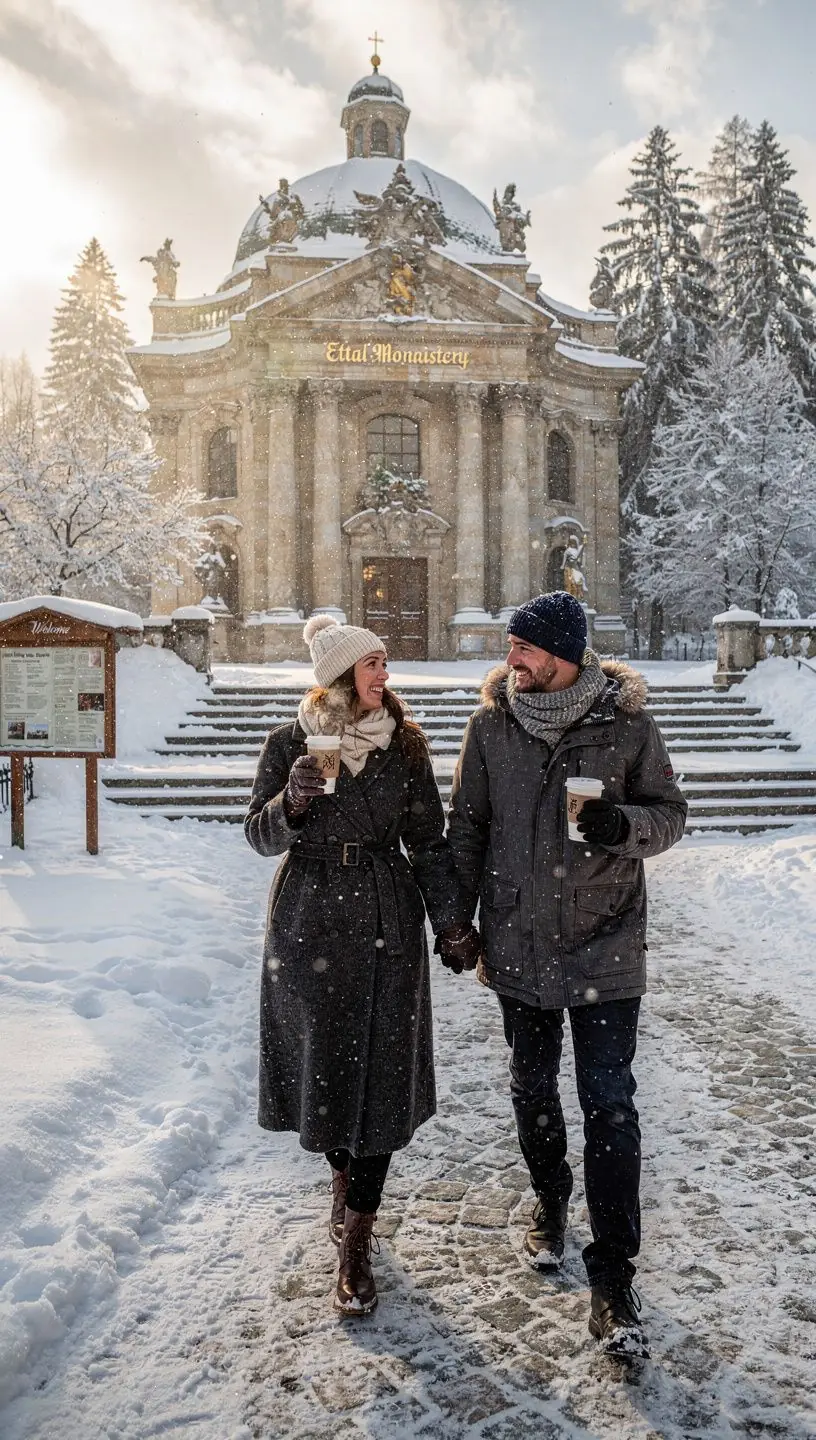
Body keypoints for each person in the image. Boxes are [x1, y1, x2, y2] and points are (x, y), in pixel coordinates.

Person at [446, 591, 687, 1359]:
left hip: (606, 943)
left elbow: (669, 813)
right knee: (531, 1085)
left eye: (525, 648)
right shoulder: (490, 727)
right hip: (517, 941)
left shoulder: (629, 727)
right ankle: (550, 1198)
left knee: (610, 1104)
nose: (510, 659)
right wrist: (455, 920)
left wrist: (626, 827)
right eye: (510, 647)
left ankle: (614, 1278)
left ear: (564, 654)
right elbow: (467, 830)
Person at [244, 614, 478, 1317]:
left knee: (380, 1072)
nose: (386, 674)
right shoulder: (289, 742)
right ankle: (341, 1178)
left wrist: (451, 922)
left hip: (384, 915)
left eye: (384, 662)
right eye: (373, 663)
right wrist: (291, 804)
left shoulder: (404, 747)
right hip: (307, 916)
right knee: (326, 1067)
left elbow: (429, 843)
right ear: (341, 676)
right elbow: (258, 833)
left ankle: (357, 1233)